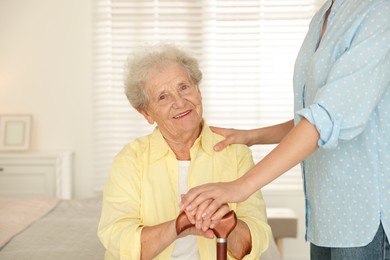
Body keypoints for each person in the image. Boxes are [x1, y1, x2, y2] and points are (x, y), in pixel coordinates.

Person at [180, 0, 390, 259]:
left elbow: (326, 119)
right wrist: (251, 137)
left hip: (366, 218)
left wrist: (239, 187)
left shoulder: (379, 11)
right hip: (328, 217)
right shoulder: (324, 15)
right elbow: (317, 115)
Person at [97, 43, 271, 260]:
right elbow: (118, 241)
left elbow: (256, 239)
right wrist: (180, 225)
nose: (180, 102)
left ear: (198, 90)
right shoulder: (130, 159)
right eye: (163, 97)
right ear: (146, 113)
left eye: (184, 87)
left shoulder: (234, 153)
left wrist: (224, 219)